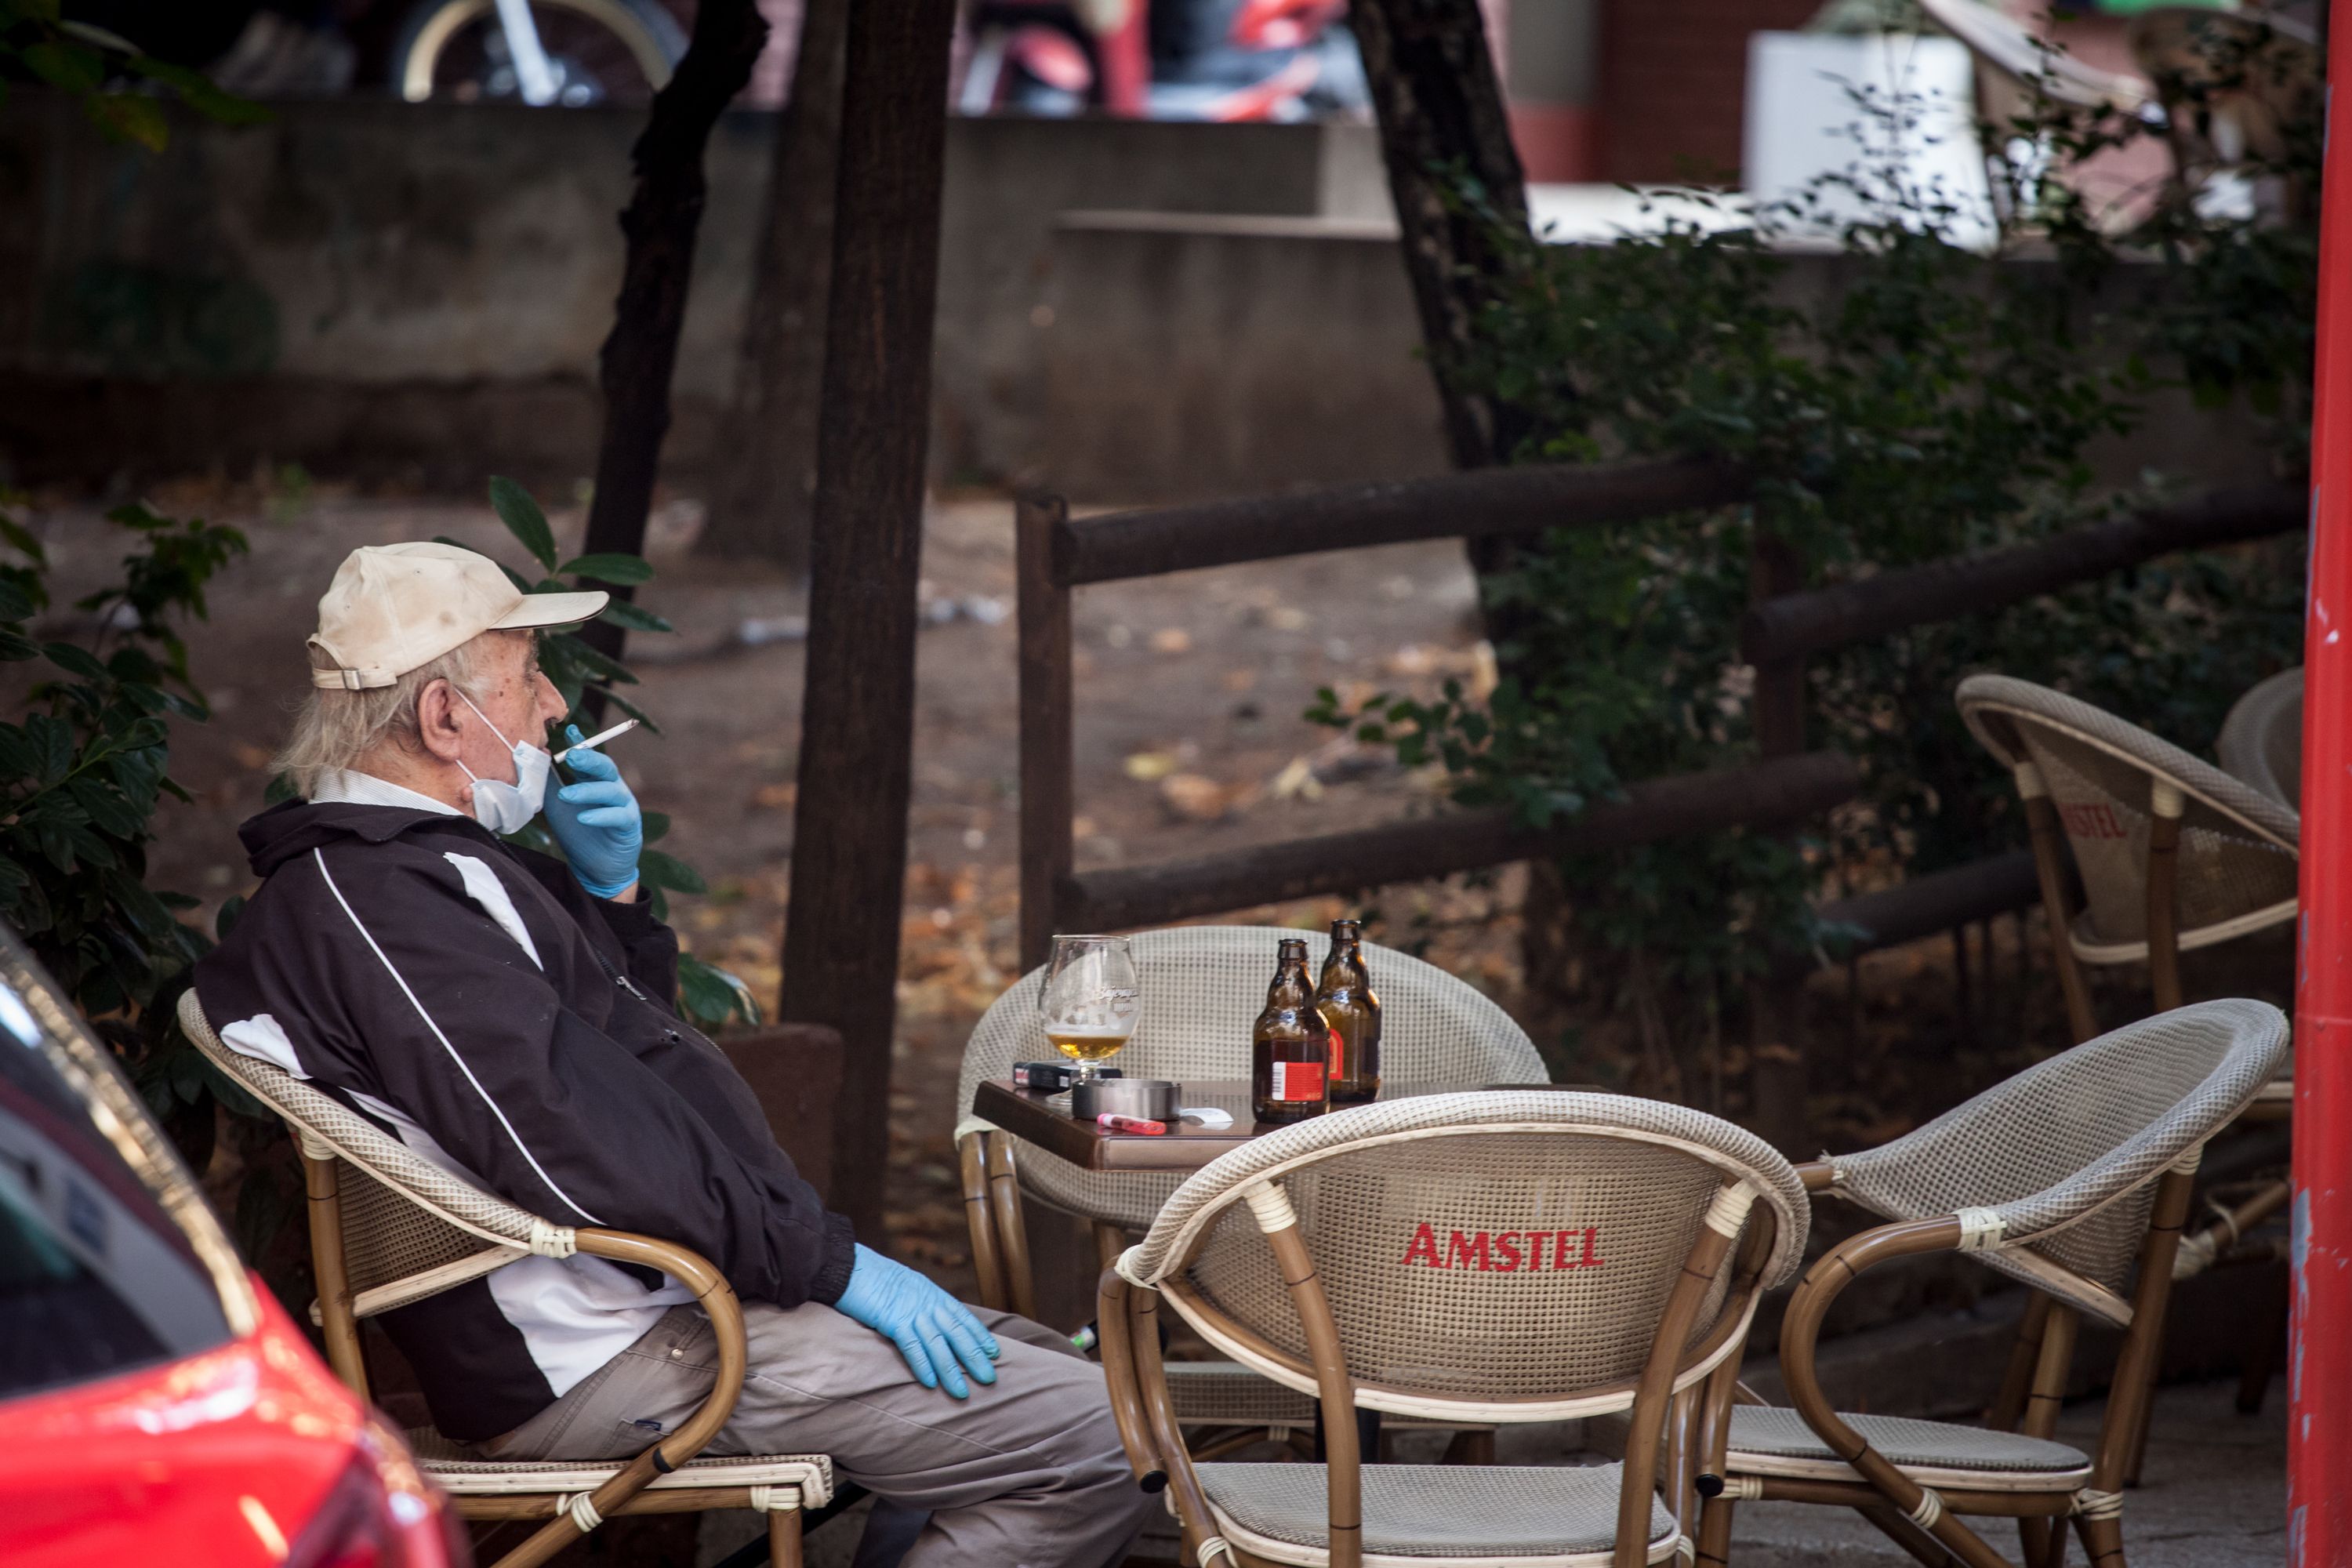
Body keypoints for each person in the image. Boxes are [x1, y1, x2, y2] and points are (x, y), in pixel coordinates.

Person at [196, 542, 1152, 1568]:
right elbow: (568, 1141)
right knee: (1108, 1435)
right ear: (443, 719)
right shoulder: (378, 905)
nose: (556, 705)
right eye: (528, 677)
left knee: (1046, 1366)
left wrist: (609, 903)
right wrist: (827, 1264)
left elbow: (602, 1079)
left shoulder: (414, 877)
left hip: (656, 1307)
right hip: (618, 1348)